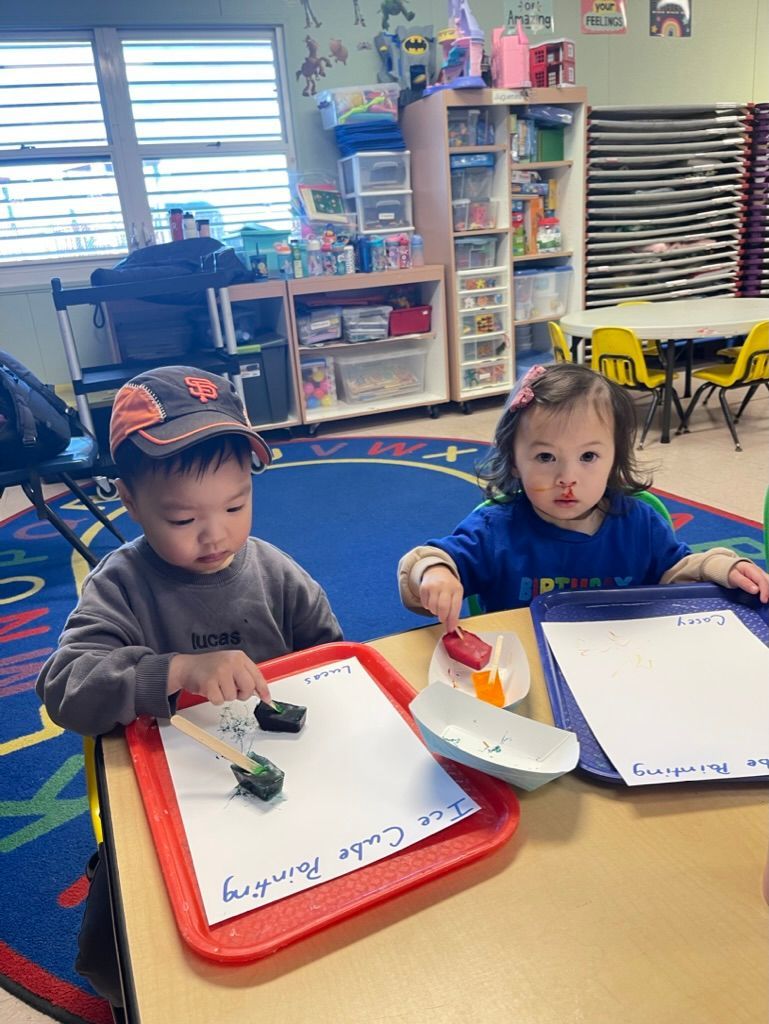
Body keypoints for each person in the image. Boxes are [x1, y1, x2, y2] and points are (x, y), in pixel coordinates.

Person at [36, 365, 342, 1006]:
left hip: (285, 782)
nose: (217, 534)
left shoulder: (273, 571)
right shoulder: (120, 586)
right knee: (123, 957)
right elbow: (64, 687)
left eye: (236, 505)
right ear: (129, 499)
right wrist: (171, 671)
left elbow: (333, 656)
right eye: (182, 519)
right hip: (168, 799)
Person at [398, 363, 769, 632]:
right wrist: (433, 572)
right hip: (528, 668)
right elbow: (427, 559)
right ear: (514, 462)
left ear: (614, 459)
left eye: (588, 457)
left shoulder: (637, 523)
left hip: (620, 662)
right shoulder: (496, 528)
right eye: (545, 457)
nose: (567, 478)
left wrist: (723, 568)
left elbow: (676, 572)